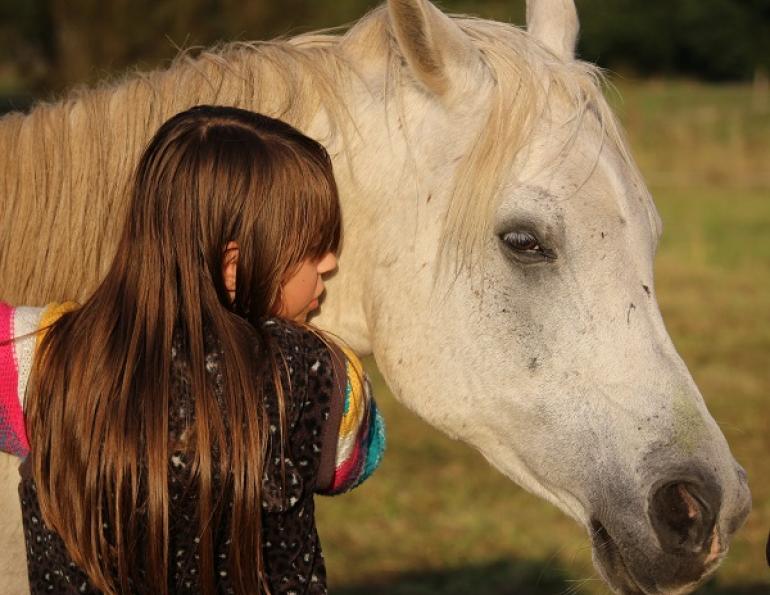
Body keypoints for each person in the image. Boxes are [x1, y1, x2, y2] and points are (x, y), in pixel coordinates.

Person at [0, 105, 385, 594]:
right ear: (233, 266)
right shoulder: (312, 374)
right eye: (312, 247)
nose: (329, 263)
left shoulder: (46, 359)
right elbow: (355, 461)